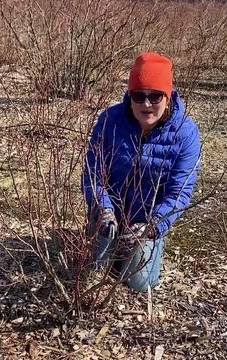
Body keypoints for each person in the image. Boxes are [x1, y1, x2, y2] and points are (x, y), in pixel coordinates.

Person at [82, 52, 201, 292]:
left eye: (155, 96)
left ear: (168, 96)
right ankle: (104, 238)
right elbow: (93, 173)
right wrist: (103, 209)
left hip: (145, 222)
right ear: (130, 96)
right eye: (139, 96)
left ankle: (141, 248)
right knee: (97, 271)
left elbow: (180, 192)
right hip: (110, 217)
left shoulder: (186, 133)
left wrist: (153, 225)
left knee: (141, 283)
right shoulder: (110, 121)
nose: (147, 104)